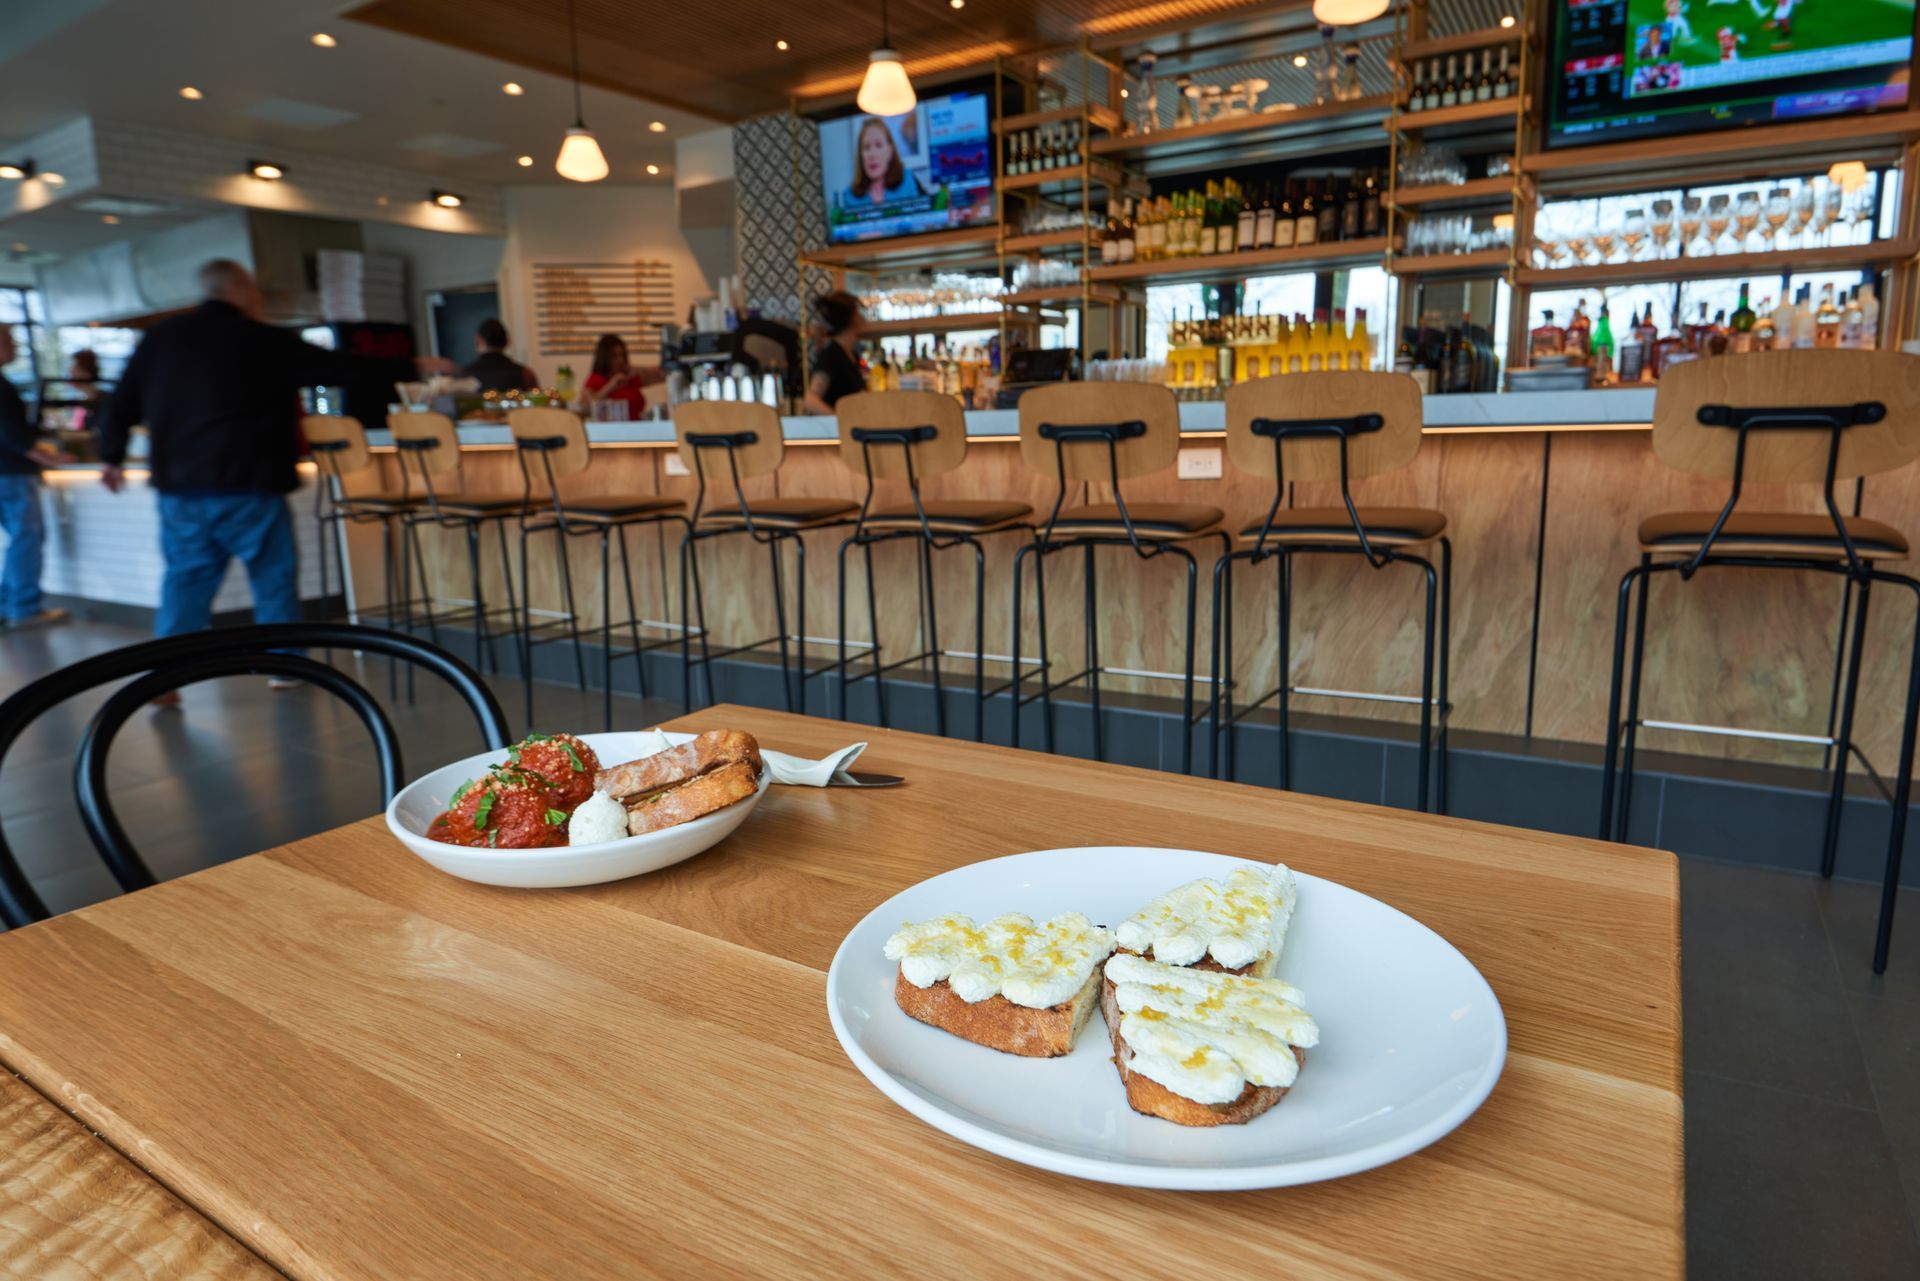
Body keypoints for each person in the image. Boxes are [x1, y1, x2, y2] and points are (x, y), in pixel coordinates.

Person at [99, 259, 450, 688]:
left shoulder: (159, 340)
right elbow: (339, 367)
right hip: (250, 483)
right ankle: (283, 667)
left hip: (182, 488)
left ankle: (163, 680)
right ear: (239, 289)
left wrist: (111, 457)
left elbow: (119, 404)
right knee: (271, 578)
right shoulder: (260, 339)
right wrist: (414, 366)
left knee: (186, 581)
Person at [0, 325, 70, 631]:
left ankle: (10, 606)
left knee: (19, 539)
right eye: (9, 341)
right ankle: (25, 609)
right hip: (11, 473)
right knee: (26, 538)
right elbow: (9, 433)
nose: (14, 347)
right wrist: (46, 457)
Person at [803, 291, 867, 415]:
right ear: (851, 318)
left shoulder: (851, 353)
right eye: (858, 312)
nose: (862, 316)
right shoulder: (831, 355)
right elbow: (810, 400)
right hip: (838, 432)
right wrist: (839, 421)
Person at [579, 333, 663, 418]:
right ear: (604, 358)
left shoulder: (630, 378)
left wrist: (639, 368)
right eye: (614, 356)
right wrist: (611, 386)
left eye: (622, 355)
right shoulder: (596, 379)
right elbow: (584, 408)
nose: (620, 360)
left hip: (637, 428)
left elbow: (664, 374)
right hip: (610, 430)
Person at [849, 118, 921, 207]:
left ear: (890, 151)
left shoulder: (907, 181)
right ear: (861, 155)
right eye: (866, 148)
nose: (872, 155)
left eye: (878, 145)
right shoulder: (850, 196)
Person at [462, 319, 538, 394]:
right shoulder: (525, 374)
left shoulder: (464, 375)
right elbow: (538, 403)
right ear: (507, 341)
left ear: (478, 340)